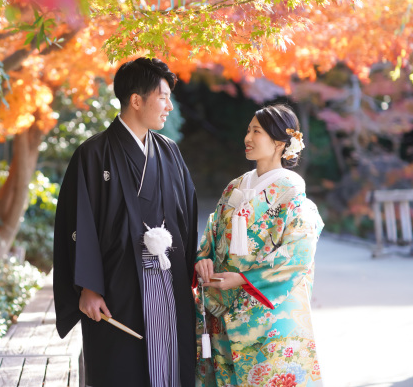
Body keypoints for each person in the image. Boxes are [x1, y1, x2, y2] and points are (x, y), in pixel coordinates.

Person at [53, 57, 198, 387]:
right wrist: (88, 287)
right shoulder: (93, 154)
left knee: (170, 365)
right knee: (121, 367)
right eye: (163, 97)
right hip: (117, 285)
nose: (169, 106)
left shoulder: (170, 152)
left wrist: (194, 268)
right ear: (136, 100)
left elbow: (186, 215)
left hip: (167, 278)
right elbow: (78, 225)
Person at [195, 104, 324, 386]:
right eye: (248, 130)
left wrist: (242, 279)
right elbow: (214, 228)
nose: (247, 138)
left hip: (266, 310)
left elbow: (299, 254)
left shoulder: (292, 191)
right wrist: (203, 257)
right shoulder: (235, 186)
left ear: (280, 143)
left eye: (257, 131)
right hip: (225, 302)